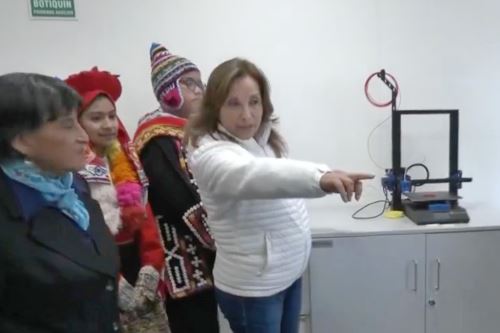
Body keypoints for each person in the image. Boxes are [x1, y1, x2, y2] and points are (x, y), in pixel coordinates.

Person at [185, 58, 374, 333]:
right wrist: (320, 178)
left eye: (254, 102)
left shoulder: (263, 139)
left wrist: (326, 173)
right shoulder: (209, 154)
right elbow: (257, 175)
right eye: (233, 103)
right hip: (254, 290)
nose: (247, 115)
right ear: (215, 107)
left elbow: (278, 174)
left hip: (285, 276)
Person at [0, 73, 121, 332]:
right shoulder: (10, 209)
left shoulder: (73, 184)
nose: (83, 136)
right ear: (21, 139)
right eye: (68, 125)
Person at [64, 67, 168, 332]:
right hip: (99, 270)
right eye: (97, 118)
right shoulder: (69, 172)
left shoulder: (125, 160)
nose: (109, 124)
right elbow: (79, 234)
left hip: (137, 263)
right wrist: (115, 280)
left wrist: (150, 268)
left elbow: (145, 217)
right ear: (77, 122)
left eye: (112, 116)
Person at [133, 43, 219, 333]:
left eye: (199, 82)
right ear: (168, 91)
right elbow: (179, 200)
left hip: (203, 253)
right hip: (182, 256)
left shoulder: (192, 132)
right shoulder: (157, 135)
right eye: (189, 82)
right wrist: (222, 238)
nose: (199, 90)